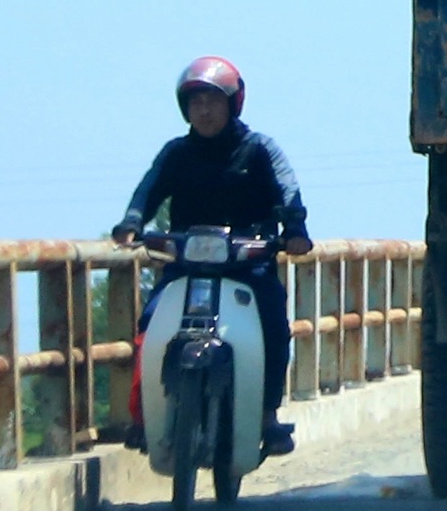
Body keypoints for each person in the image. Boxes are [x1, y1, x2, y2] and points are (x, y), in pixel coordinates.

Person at [115, 55, 311, 456]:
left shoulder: (259, 150)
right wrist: (132, 222)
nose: (203, 111)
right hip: (187, 263)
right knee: (151, 324)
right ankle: (144, 417)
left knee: (274, 322)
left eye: (213, 102)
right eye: (195, 103)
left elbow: (288, 192)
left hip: (247, 265)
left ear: (232, 104)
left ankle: (266, 416)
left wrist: (294, 230)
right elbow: (147, 191)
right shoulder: (176, 153)